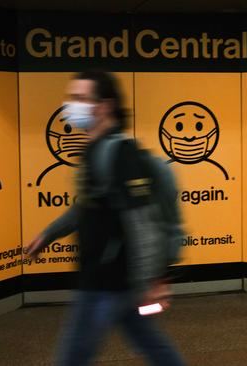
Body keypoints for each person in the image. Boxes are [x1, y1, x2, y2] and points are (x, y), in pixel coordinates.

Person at [25, 70, 185, 366]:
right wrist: (49, 234)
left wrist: (151, 282)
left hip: (107, 279)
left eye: (80, 98)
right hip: (111, 278)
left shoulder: (119, 153)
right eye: (72, 97)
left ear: (105, 106)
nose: (71, 105)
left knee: (73, 356)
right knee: (149, 342)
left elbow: (143, 223)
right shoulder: (94, 150)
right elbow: (86, 208)